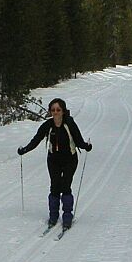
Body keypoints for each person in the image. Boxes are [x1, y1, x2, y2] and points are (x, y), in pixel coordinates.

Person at [17, 98, 92, 230]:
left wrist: (86, 146)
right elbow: (36, 140)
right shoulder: (48, 125)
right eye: (53, 110)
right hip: (53, 160)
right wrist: (24, 150)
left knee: (66, 186)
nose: (55, 112)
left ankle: (67, 216)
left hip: (70, 159)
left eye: (58, 110)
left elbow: (79, 140)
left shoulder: (70, 123)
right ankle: (53, 216)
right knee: (55, 186)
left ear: (63, 111)